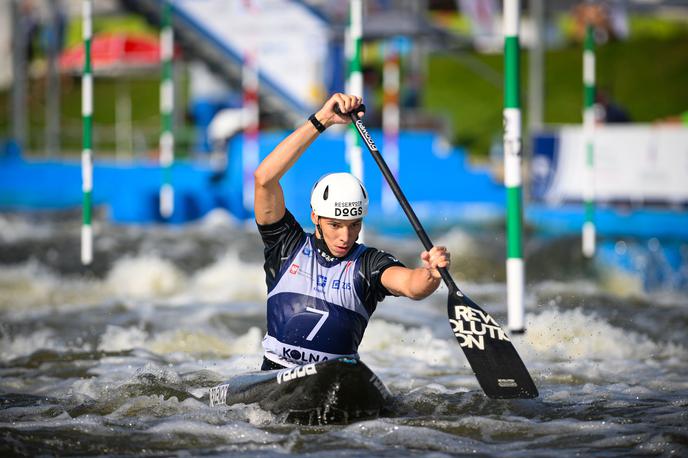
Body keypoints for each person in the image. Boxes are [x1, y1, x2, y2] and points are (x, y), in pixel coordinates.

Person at [253, 93, 451, 370]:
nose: (346, 236)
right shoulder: (285, 245)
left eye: (354, 225)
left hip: (338, 382)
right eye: (335, 225)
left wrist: (430, 274)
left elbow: (411, 286)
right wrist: (322, 120)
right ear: (315, 217)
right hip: (275, 375)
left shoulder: (368, 264)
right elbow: (264, 179)